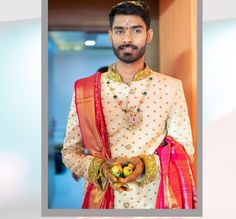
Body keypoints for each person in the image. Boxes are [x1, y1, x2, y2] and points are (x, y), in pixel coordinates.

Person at [61, 0, 196, 209]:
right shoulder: (84, 89)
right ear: (110, 35)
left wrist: (144, 165)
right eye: (120, 30)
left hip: (153, 201)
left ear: (149, 35)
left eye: (136, 30)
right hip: (103, 200)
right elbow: (69, 152)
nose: (127, 38)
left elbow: (185, 150)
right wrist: (99, 166)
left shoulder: (171, 87)